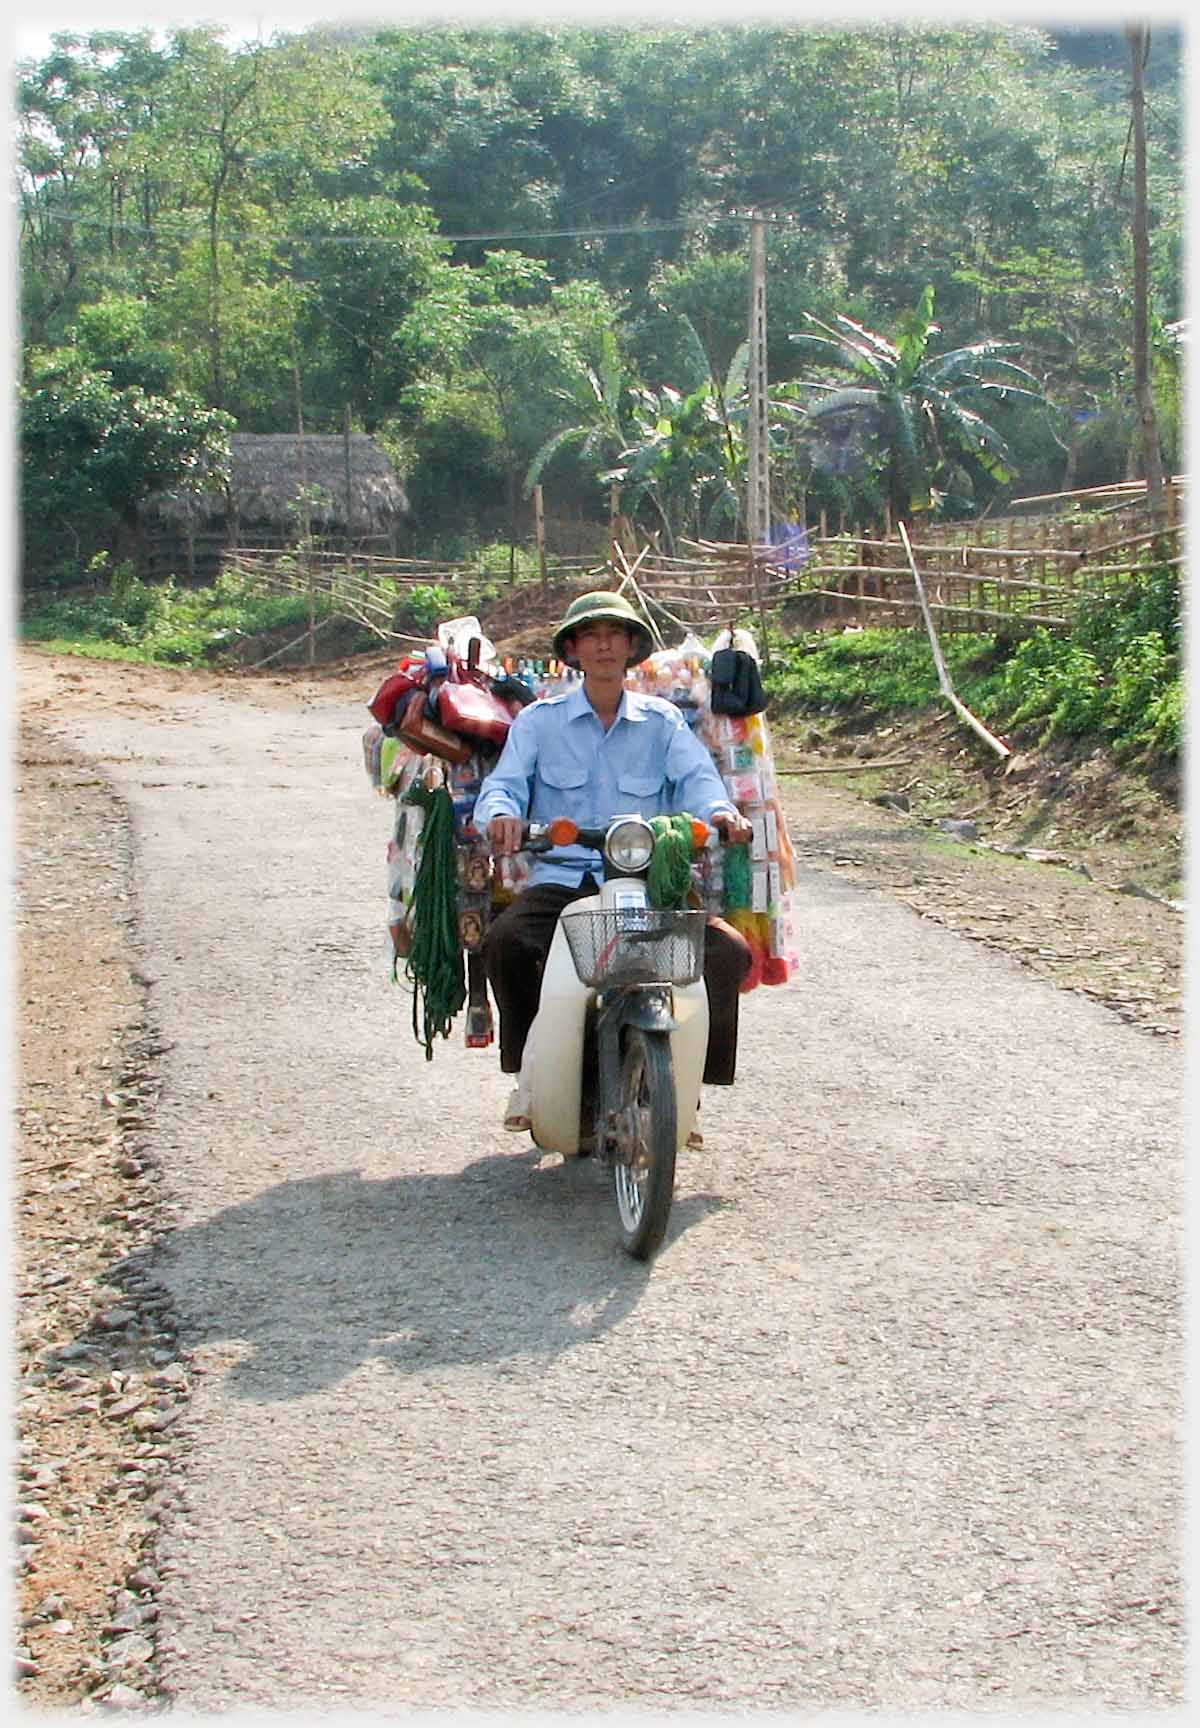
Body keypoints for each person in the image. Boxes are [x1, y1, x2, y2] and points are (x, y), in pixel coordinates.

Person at [472, 591, 754, 1126]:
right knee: (505, 944)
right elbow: (503, 787)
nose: (603, 645)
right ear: (573, 650)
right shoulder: (539, 722)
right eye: (591, 635)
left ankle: (686, 1089)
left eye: (615, 634)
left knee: (728, 953)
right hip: (563, 881)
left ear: (630, 648)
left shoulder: (663, 721)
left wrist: (721, 814)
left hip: (650, 883)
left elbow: (698, 780)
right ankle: (532, 1075)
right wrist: (502, 815)